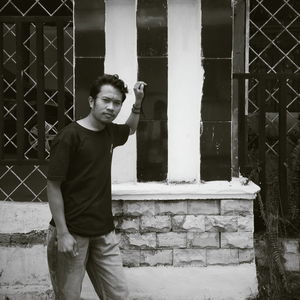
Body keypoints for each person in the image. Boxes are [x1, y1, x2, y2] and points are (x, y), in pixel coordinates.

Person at [46, 74, 146, 300]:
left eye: (117, 103)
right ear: (92, 101)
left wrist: (137, 103)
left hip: (103, 232)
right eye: (106, 101)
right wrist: (62, 233)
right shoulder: (69, 137)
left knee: (119, 295)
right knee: (68, 297)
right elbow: (53, 186)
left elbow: (130, 129)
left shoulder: (110, 132)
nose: (111, 107)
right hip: (71, 233)